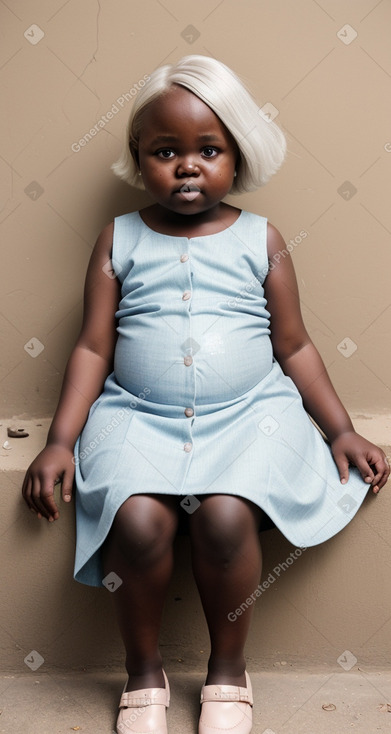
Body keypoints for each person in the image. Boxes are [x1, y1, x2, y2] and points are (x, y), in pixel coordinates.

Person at [22, 55, 389, 734]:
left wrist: (338, 429)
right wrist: (60, 441)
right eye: (166, 151)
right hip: (138, 418)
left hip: (250, 418)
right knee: (135, 524)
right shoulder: (119, 238)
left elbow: (296, 346)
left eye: (207, 150)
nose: (186, 166)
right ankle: (143, 671)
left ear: (237, 156)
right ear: (139, 157)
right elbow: (93, 348)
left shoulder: (261, 240)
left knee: (225, 518)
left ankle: (226, 672)